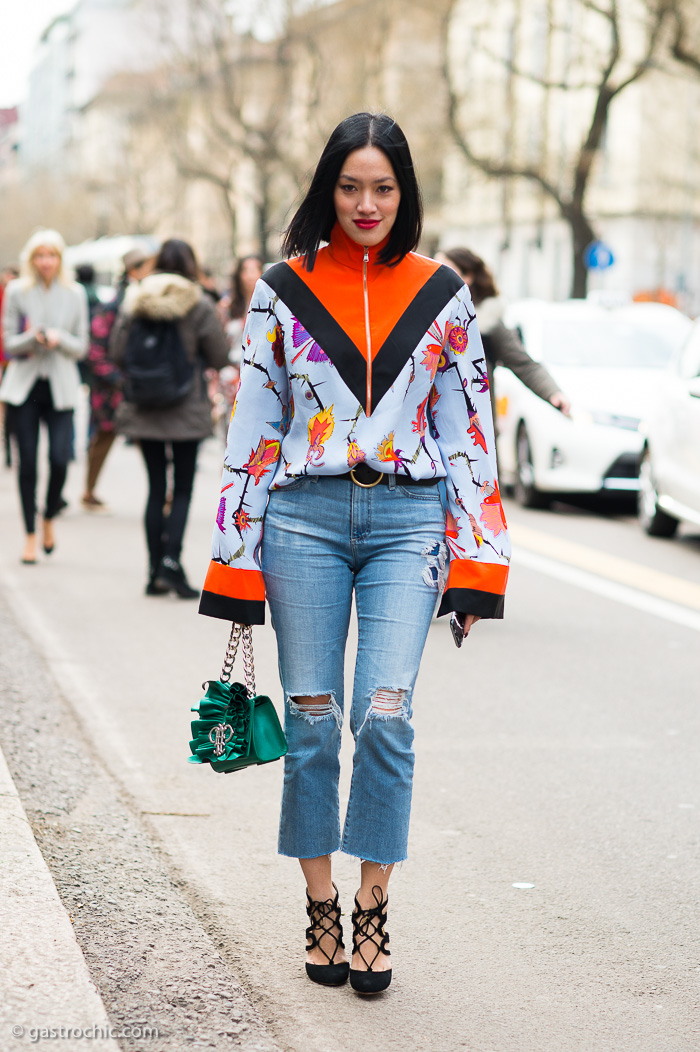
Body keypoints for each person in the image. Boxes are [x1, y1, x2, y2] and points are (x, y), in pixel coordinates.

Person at [198, 113, 511, 994]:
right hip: (300, 520)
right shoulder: (279, 290)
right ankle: (321, 903)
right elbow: (254, 428)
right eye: (350, 186)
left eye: (383, 187)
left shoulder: (443, 292)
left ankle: (373, 900)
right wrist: (233, 559)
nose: (366, 203)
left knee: (384, 715)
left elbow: (469, 435)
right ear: (326, 189)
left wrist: (481, 563)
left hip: (411, 522)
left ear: (403, 192)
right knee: (308, 723)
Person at [110, 238, 228, 597]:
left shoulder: (136, 299)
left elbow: (117, 352)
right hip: (185, 407)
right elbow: (220, 355)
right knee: (183, 490)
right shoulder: (198, 302)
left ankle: (153, 571)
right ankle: (172, 563)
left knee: (155, 488)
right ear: (191, 265)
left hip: (145, 406)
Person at [0, 230, 88, 564]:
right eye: (40, 256)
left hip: (61, 389)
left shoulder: (75, 293)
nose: (46, 262)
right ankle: (30, 536)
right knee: (27, 465)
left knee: (60, 460)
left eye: (51, 255)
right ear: (31, 259)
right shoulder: (16, 291)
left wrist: (59, 338)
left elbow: (81, 346)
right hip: (24, 388)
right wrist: (33, 338)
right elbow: (8, 342)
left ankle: (49, 516)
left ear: (60, 259)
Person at [437, 247, 571, 416]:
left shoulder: (486, 322)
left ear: (467, 277)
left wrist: (552, 392)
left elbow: (523, 363)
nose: (436, 274)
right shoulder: (426, 314)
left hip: (474, 427)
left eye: (444, 268)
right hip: (427, 426)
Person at [81, 248, 154, 509]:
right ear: (134, 270)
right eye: (148, 267)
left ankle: (161, 495)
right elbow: (95, 348)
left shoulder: (144, 299)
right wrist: (116, 377)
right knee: (103, 438)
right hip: (113, 387)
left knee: (150, 440)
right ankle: (88, 492)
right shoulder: (115, 304)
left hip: (132, 383)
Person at [1, 264, 20, 468]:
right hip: (5, 356)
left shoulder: (21, 296)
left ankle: (10, 448)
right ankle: (7, 448)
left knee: (11, 405)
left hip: (14, 359)